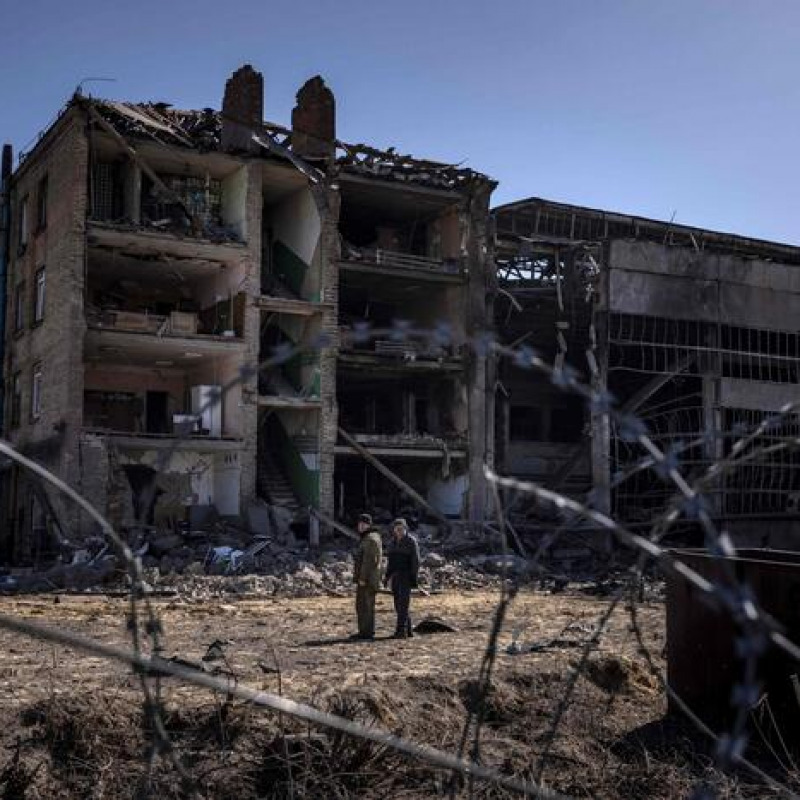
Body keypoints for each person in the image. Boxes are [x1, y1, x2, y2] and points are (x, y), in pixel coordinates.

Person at [384, 517, 420, 639]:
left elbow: (416, 561)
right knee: (398, 604)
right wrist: (387, 576)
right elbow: (390, 562)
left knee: (403, 604)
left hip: (406, 576)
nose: (399, 531)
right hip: (395, 576)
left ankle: (401, 631)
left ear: (405, 529)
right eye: (397, 529)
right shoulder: (392, 543)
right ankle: (408, 630)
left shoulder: (411, 541)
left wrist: (413, 577)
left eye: (401, 529)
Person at [351, 513, 382, 640]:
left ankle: (367, 632)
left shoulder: (370, 539)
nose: (361, 526)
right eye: (359, 524)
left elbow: (369, 561)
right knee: (362, 605)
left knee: (366, 606)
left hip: (368, 580)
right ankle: (364, 631)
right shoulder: (368, 537)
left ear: (369, 525)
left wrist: (363, 578)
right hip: (367, 579)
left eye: (364, 524)